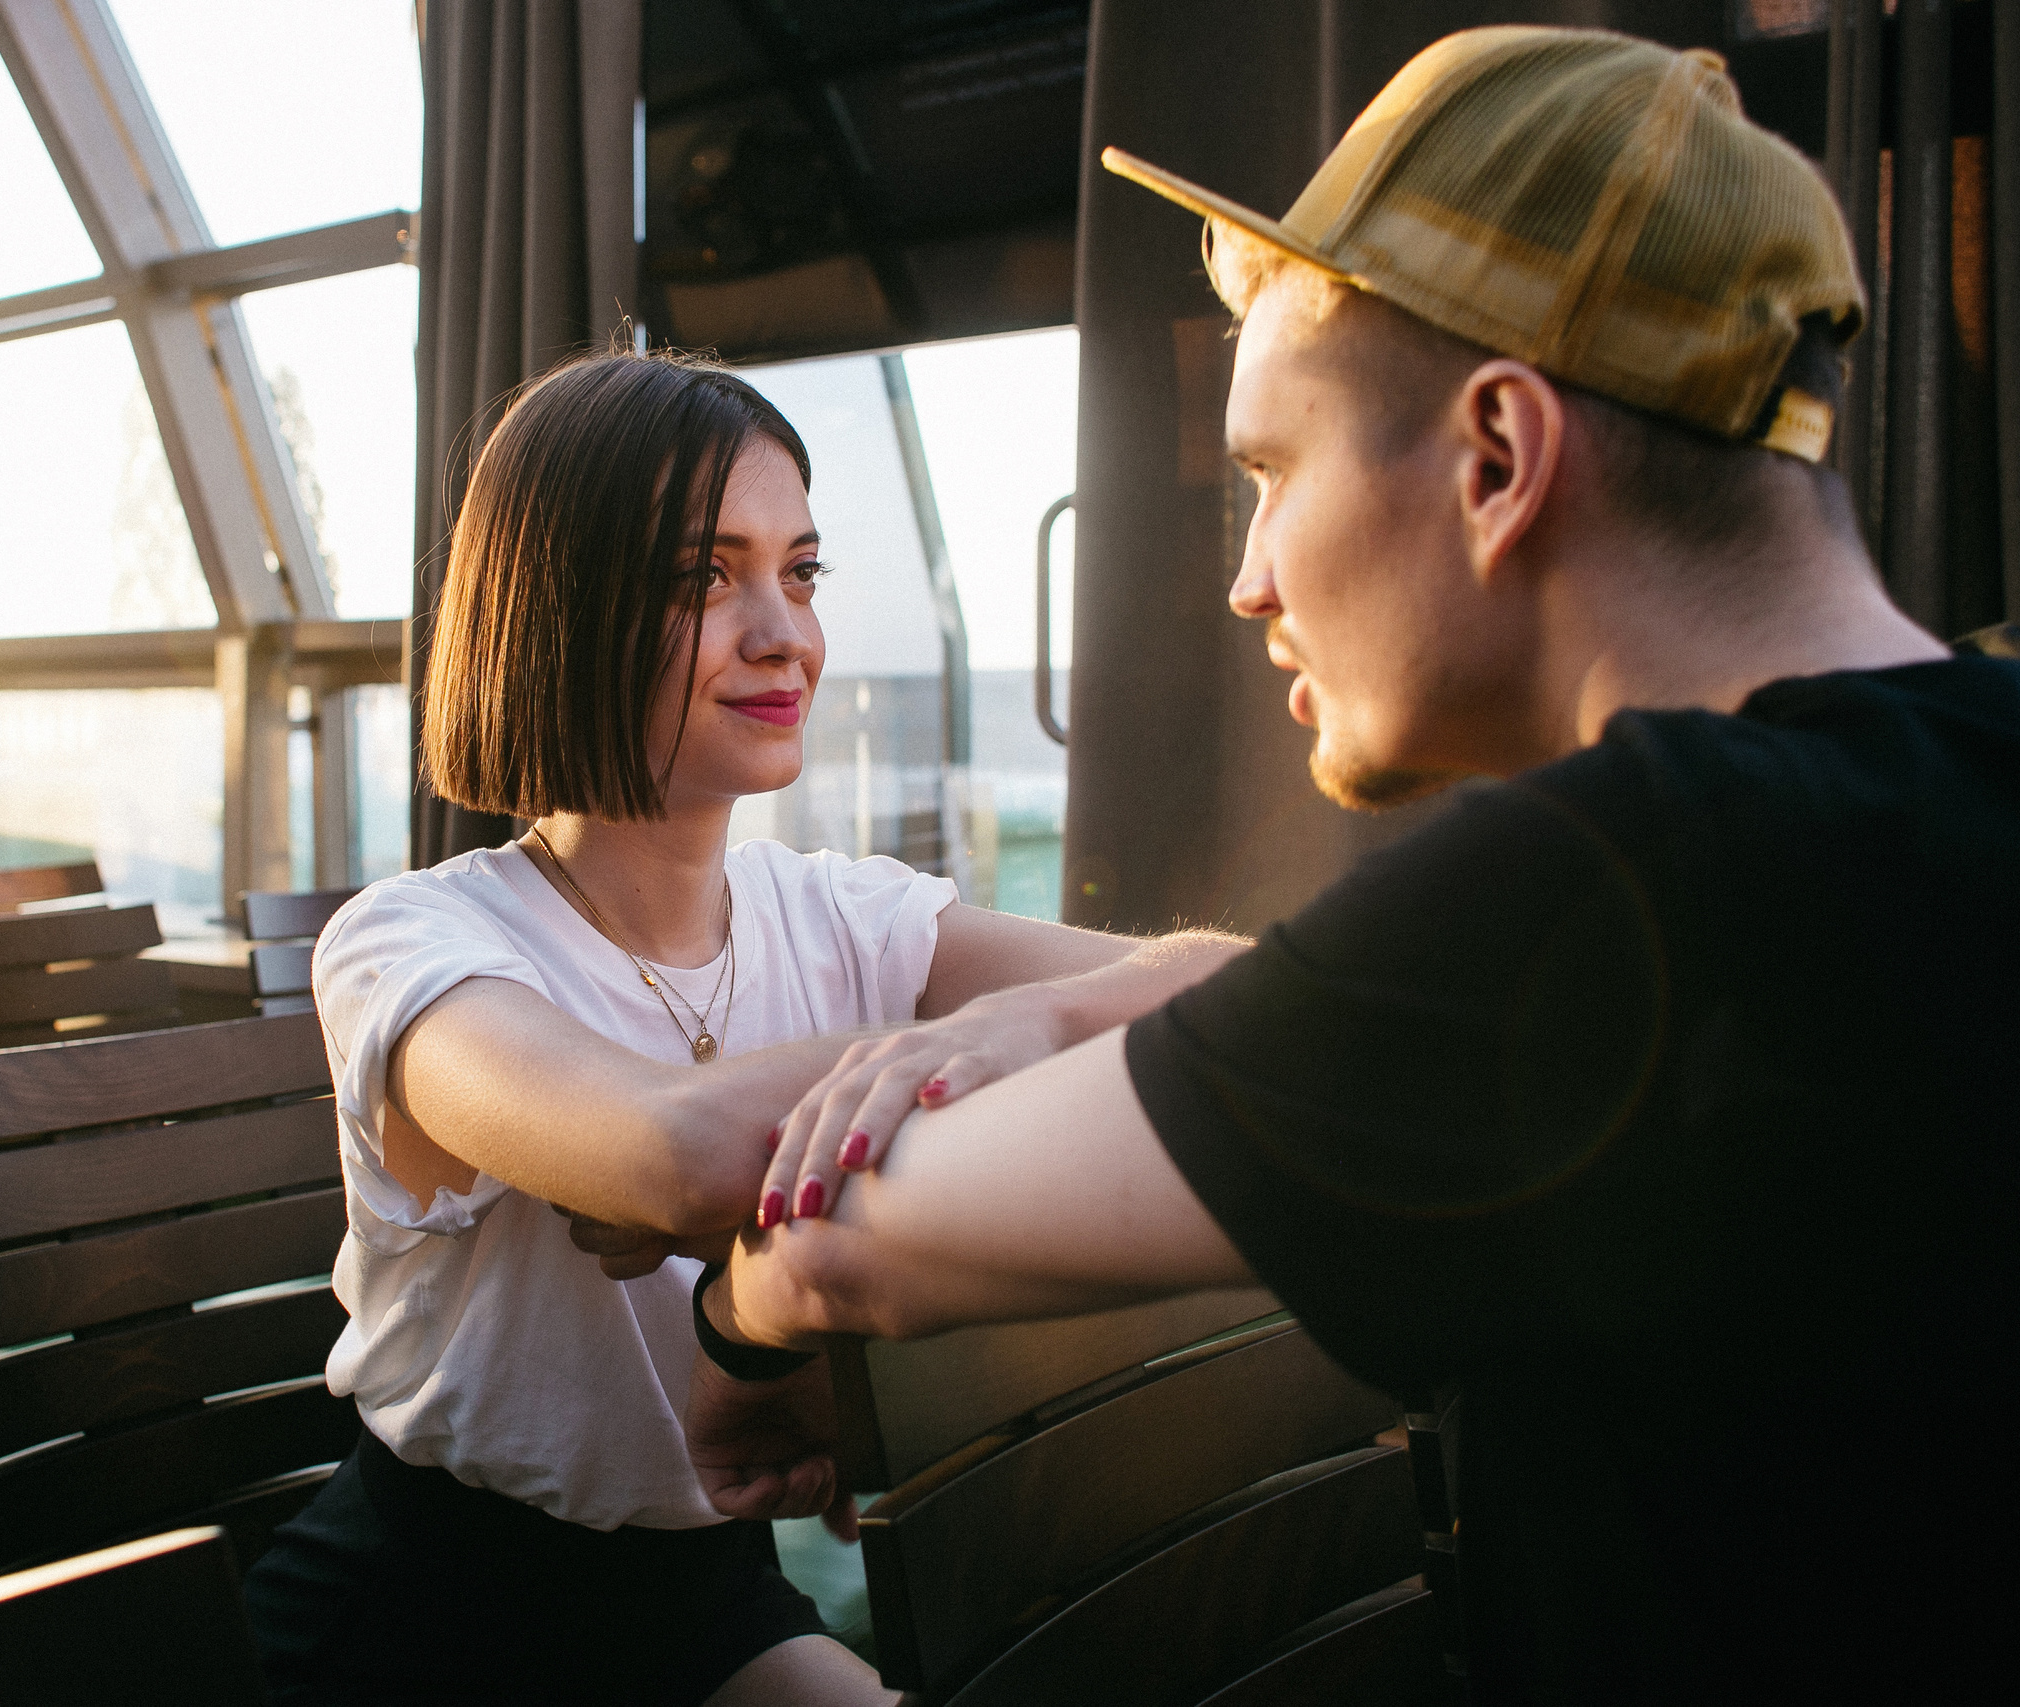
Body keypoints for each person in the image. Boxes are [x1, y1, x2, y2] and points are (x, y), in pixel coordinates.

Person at [693, 27, 2018, 1701]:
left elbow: (839, 1246)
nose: (1247, 581)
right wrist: (1127, 995)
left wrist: (731, 1342)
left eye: (1271, 471)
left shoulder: (1610, 883)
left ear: (1495, 457)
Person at [239, 349, 1229, 1707]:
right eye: (701, 577)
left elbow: (1231, 985)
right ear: (557, 609)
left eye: (801, 571)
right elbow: (678, 1157)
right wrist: (945, 1070)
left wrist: (1017, 1026)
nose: (784, 633)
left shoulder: (846, 916)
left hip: (701, 1587)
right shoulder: (412, 941)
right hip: (430, 1608)